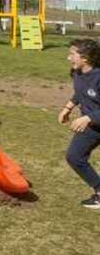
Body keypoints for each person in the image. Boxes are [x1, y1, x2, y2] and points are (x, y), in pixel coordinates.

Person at [58, 38, 100, 209]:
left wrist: (88, 117)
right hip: (93, 126)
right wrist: (68, 107)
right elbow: (80, 92)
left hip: (90, 120)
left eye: (72, 54)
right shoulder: (77, 73)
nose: (68, 58)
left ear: (86, 58)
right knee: (74, 157)